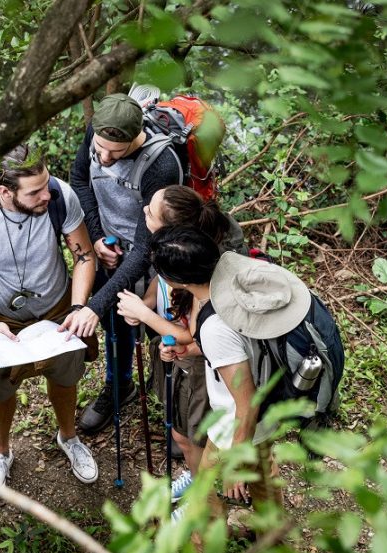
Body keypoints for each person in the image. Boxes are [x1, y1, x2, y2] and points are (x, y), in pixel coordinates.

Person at [0, 145, 100, 499]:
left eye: (46, 185)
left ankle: (69, 437)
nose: (47, 195)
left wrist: (78, 307)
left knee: (65, 377)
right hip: (0, 318)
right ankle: (1, 454)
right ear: (5, 192)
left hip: (58, 309)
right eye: (35, 192)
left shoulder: (59, 196)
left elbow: (84, 255)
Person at [150, 227, 303, 526]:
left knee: (205, 490)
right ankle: (273, 539)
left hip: (236, 423)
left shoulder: (216, 325)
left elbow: (246, 404)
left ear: (176, 280)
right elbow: (240, 350)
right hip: (270, 405)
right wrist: (189, 351)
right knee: (264, 478)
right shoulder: (234, 277)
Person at [114, 186, 244, 512]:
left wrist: (145, 316)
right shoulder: (171, 253)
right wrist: (145, 305)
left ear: (176, 232)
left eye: (150, 213)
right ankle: (194, 473)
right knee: (181, 434)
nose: (143, 211)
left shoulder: (204, 276)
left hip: (201, 369)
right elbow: (160, 283)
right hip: (171, 352)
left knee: (195, 435)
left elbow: (197, 335)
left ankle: (203, 498)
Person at [69, 93, 184, 436]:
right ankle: (119, 389)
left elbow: (146, 246)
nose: (103, 158)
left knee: (162, 328)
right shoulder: (99, 131)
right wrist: (98, 235)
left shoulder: (162, 165)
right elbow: (80, 181)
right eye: (99, 148)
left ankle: (173, 407)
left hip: (153, 256)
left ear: (134, 137)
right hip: (112, 244)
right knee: (116, 327)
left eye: (114, 153)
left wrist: (92, 305)